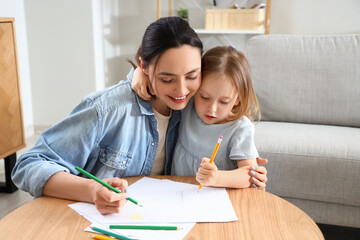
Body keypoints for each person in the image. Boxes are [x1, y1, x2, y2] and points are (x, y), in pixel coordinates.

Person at [133, 46, 267, 189]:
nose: (212, 109)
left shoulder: (239, 128)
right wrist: (140, 73)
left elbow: (250, 175)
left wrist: (217, 178)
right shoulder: (189, 105)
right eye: (204, 97)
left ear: (237, 99)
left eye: (224, 101)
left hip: (214, 198)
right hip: (176, 192)